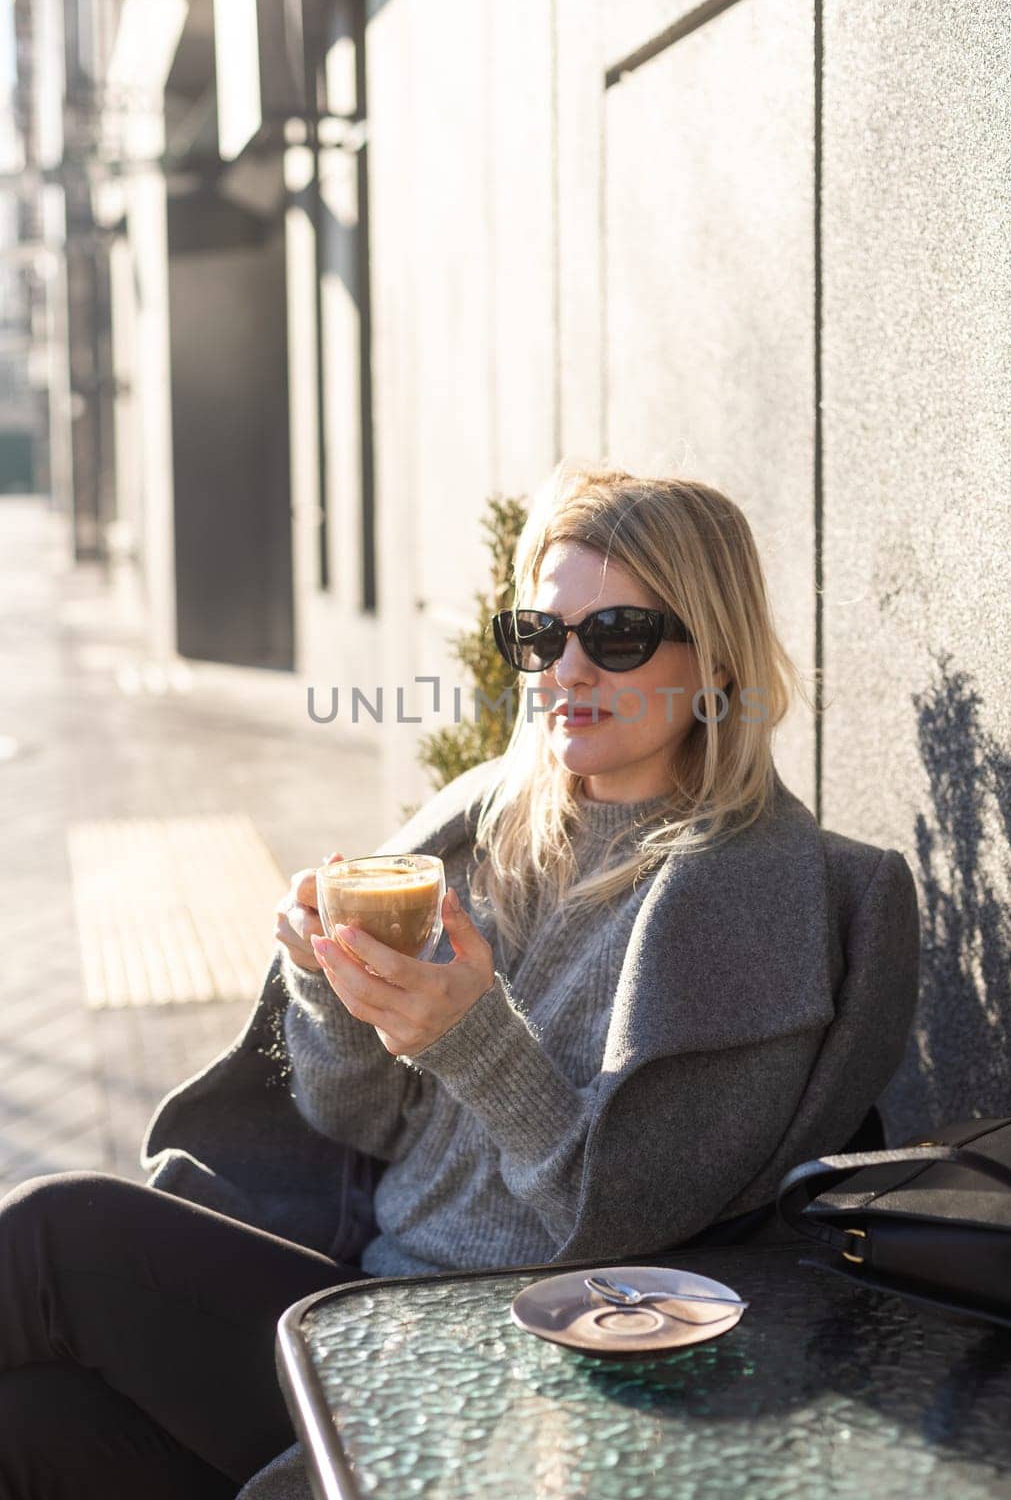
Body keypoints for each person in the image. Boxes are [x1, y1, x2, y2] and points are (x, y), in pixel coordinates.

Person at [0, 462, 920, 1498]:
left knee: (51, 1233)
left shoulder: (750, 890)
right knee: (30, 1423)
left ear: (714, 659)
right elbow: (358, 1123)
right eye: (540, 635)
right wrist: (331, 986)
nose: (566, 672)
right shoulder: (492, 822)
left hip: (486, 1344)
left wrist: (472, 1038)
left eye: (615, 637)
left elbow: (623, 1222)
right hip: (361, 1288)